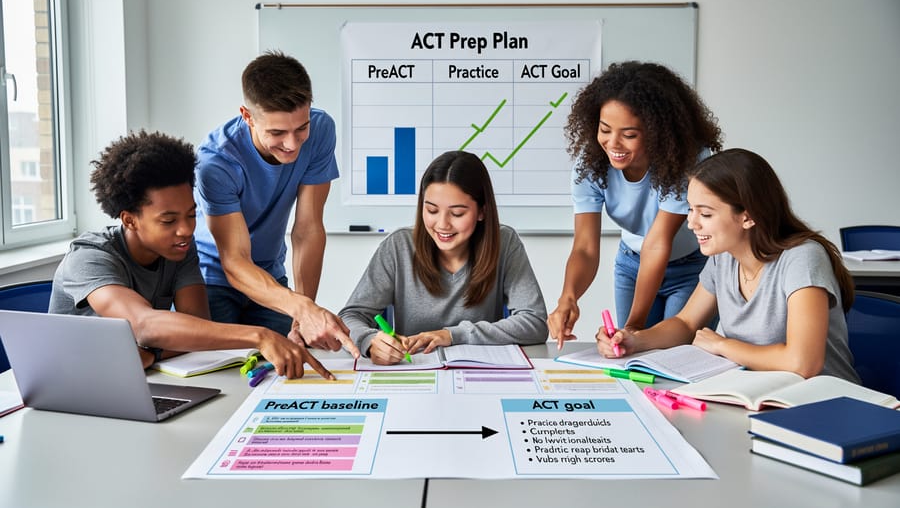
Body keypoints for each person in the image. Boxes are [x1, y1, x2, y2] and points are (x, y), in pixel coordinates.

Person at [49, 131, 335, 379]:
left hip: (127, 382)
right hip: (67, 387)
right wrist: (259, 336)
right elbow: (144, 324)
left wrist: (151, 354)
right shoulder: (88, 257)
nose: (186, 230)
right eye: (168, 221)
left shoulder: (179, 250)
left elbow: (199, 329)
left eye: (190, 214)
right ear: (129, 220)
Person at [599, 149, 860, 382]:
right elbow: (686, 324)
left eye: (706, 213)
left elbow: (804, 363)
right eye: (691, 210)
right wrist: (635, 340)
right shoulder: (723, 257)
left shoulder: (803, 258)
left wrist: (723, 346)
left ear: (748, 217)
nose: (692, 223)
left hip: (825, 406)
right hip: (762, 395)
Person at [193, 50, 358, 359]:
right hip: (211, 279)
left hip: (270, 275)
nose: (293, 144)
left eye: (301, 128)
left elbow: (308, 229)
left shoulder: (321, 130)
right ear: (247, 116)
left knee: (290, 367)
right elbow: (235, 259)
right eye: (277, 132)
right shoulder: (216, 162)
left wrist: (302, 315)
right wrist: (302, 307)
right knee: (220, 375)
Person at [550, 61, 724, 350]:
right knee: (634, 359)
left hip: (692, 269)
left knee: (676, 356)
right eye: (605, 129)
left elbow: (657, 243)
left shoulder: (687, 163)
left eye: (629, 134)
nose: (613, 143)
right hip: (632, 264)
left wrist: (633, 327)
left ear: (658, 132)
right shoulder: (590, 167)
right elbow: (585, 247)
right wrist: (568, 297)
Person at [339, 151, 548, 365]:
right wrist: (371, 341)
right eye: (431, 210)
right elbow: (350, 316)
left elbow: (535, 322)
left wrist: (452, 335)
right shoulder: (398, 246)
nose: (442, 224)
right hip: (413, 373)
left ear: (482, 211)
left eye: (457, 214)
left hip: (479, 375)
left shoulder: (505, 244)